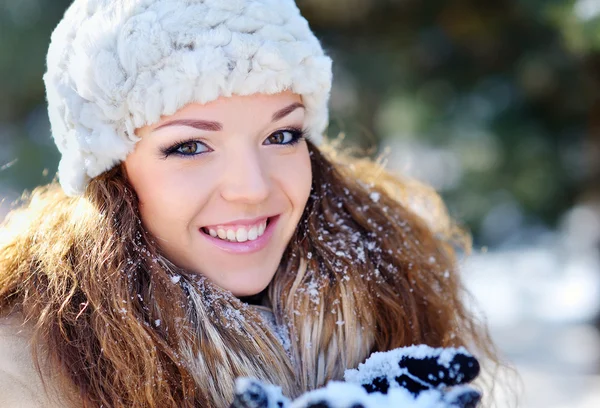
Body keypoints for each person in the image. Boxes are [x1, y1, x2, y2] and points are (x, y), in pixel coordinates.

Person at [0, 0, 498, 407]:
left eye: (281, 135)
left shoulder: (394, 298)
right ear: (111, 173)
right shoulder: (25, 367)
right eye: (189, 146)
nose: (253, 188)